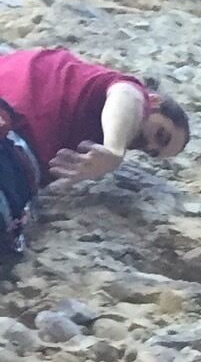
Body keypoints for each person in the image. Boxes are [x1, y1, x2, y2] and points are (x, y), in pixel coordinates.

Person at [0, 47, 190, 258]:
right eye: (161, 135)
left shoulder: (53, 72)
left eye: (153, 153)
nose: (150, 146)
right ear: (153, 101)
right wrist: (114, 149)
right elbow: (128, 95)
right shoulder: (128, 91)